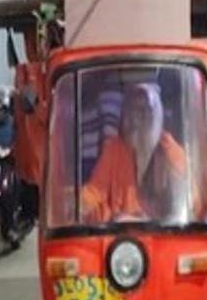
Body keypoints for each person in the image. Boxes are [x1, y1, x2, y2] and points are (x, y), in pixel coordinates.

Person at [79, 83, 190, 223]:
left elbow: (192, 204)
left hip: (161, 238)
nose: (135, 118)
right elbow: (94, 192)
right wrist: (74, 205)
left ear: (157, 118)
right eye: (130, 110)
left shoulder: (171, 152)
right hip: (120, 239)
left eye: (143, 110)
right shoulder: (114, 149)